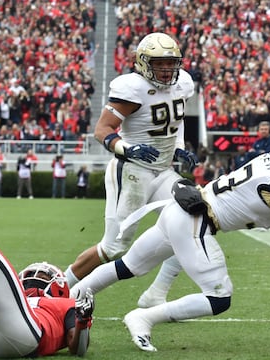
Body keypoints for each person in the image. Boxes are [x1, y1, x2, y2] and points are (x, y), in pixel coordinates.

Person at [69, 146, 270, 352]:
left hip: (181, 210)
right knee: (219, 297)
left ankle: (70, 296)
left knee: (128, 267)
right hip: (195, 221)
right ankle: (143, 317)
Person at [64, 32, 199, 316]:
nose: (166, 69)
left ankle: (156, 294)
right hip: (132, 170)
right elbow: (102, 130)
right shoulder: (133, 88)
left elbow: (177, 121)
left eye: (170, 63)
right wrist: (127, 149)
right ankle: (63, 289)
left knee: (192, 221)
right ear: (143, 62)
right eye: (160, 63)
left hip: (163, 170)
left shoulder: (182, 83)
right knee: (114, 246)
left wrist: (178, 148)